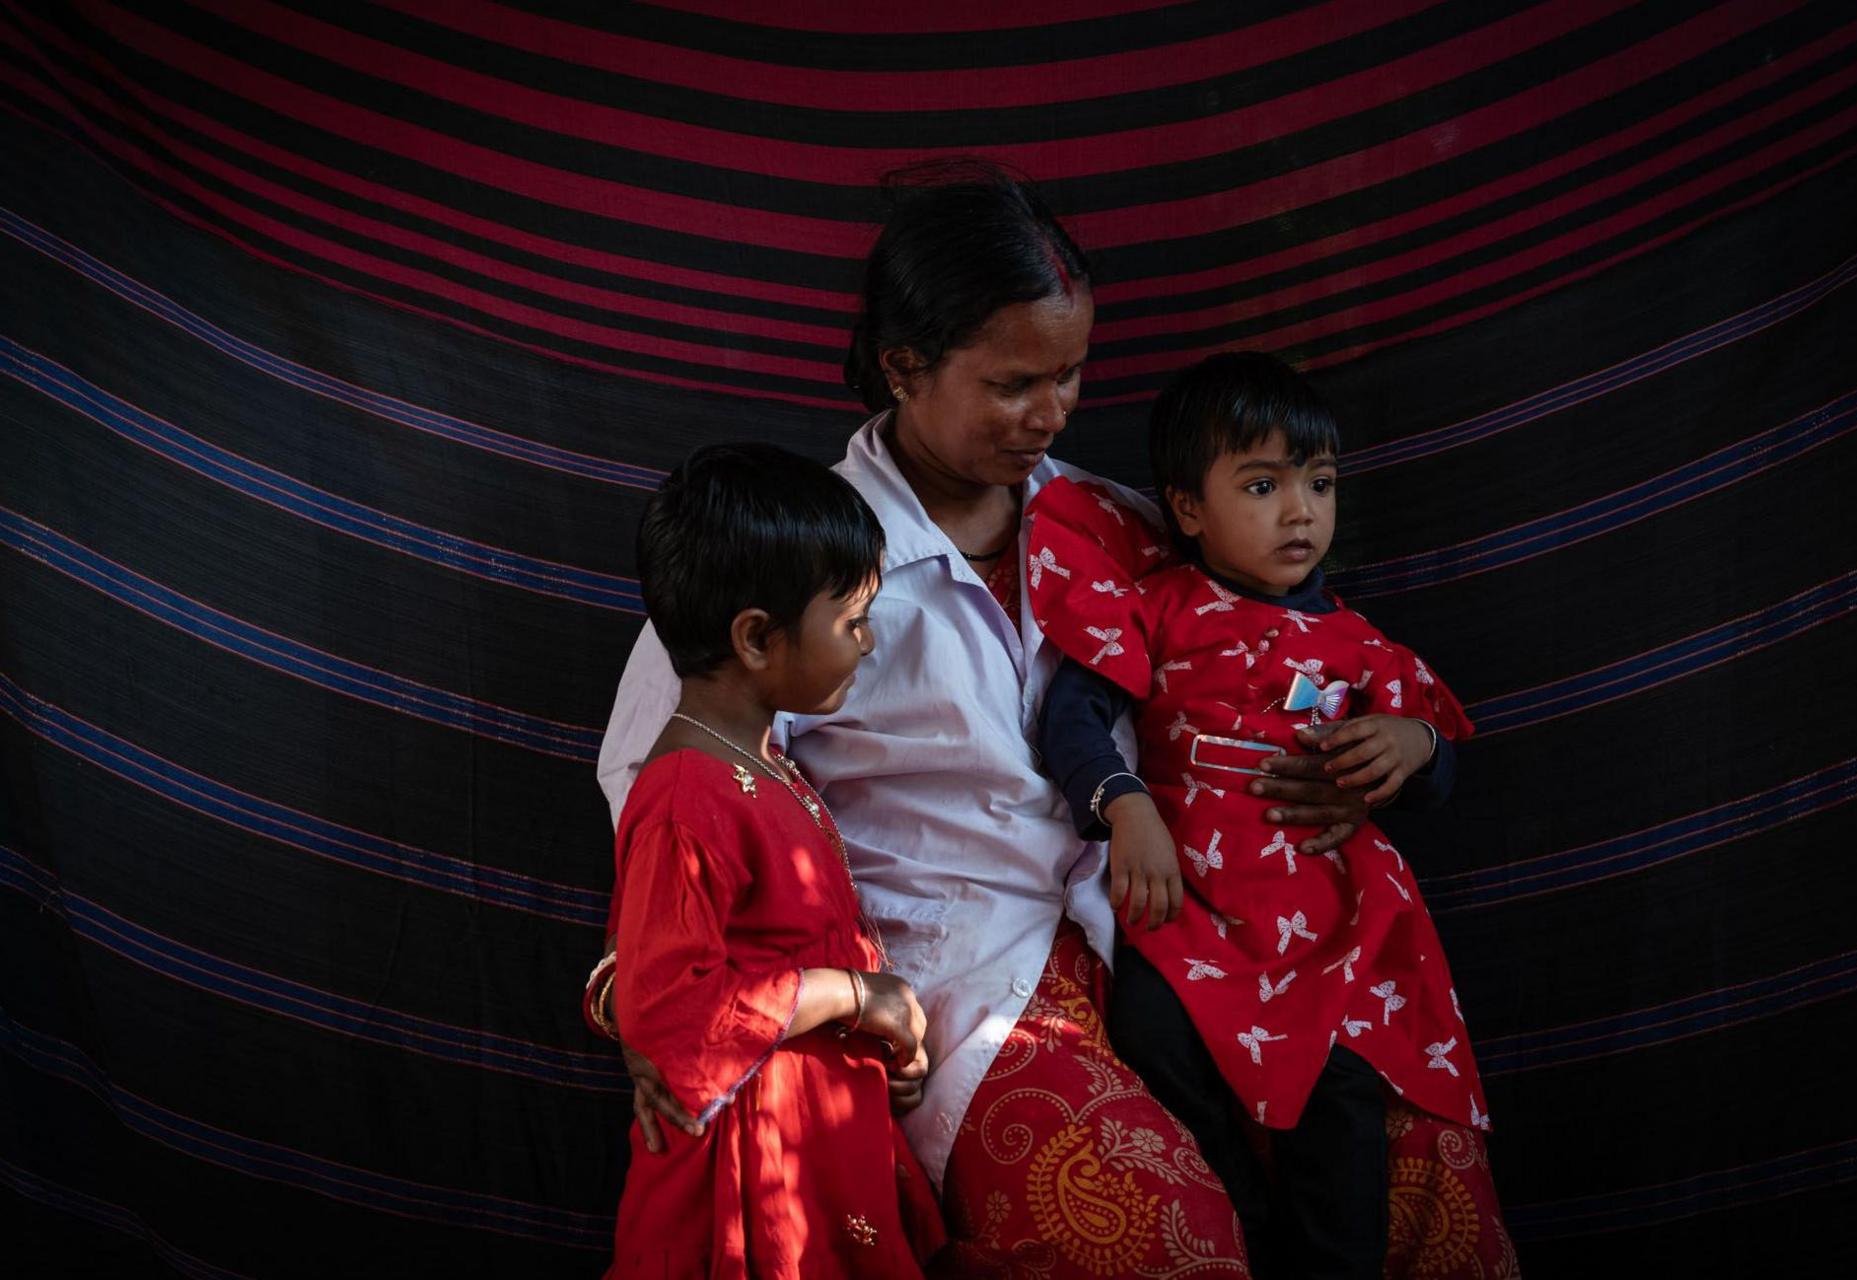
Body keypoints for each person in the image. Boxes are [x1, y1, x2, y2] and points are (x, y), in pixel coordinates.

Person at [592, 163, 1376, 1277]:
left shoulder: (1118, 524)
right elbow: (659, 790)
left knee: (1409, 1166)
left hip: (1176, 941)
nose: (1051, 412)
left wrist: (1342, 761)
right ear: (905, 365)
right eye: (1014, 382)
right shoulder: (793, 557)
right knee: (1165, 1243)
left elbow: (1256, 661)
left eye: (1071, 374)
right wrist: (647, 997)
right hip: (955, 987)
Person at [1028, 351, 1516, 1279]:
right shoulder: (1157, 608)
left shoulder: (1358, 645)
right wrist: (1122, 803)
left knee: (1339, 1092)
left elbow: (1437, 772)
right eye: (1263, 484)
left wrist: (1412, 747)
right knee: (1150, 1029)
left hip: (1320, 917)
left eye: (1320, 483)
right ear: (1187, 509)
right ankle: (1244, 1224)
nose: (1301, 511)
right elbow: (1074, 717)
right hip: (1191, 902)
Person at [595, 443, 944, 1278]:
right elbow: (671, 1007)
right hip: (748, 1172)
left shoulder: (759, 765)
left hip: (812, 1136)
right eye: (852, 621)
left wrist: (878, 1037)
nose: (865, 644)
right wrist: (859, 998)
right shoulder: (688, 794)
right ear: (756, 637)